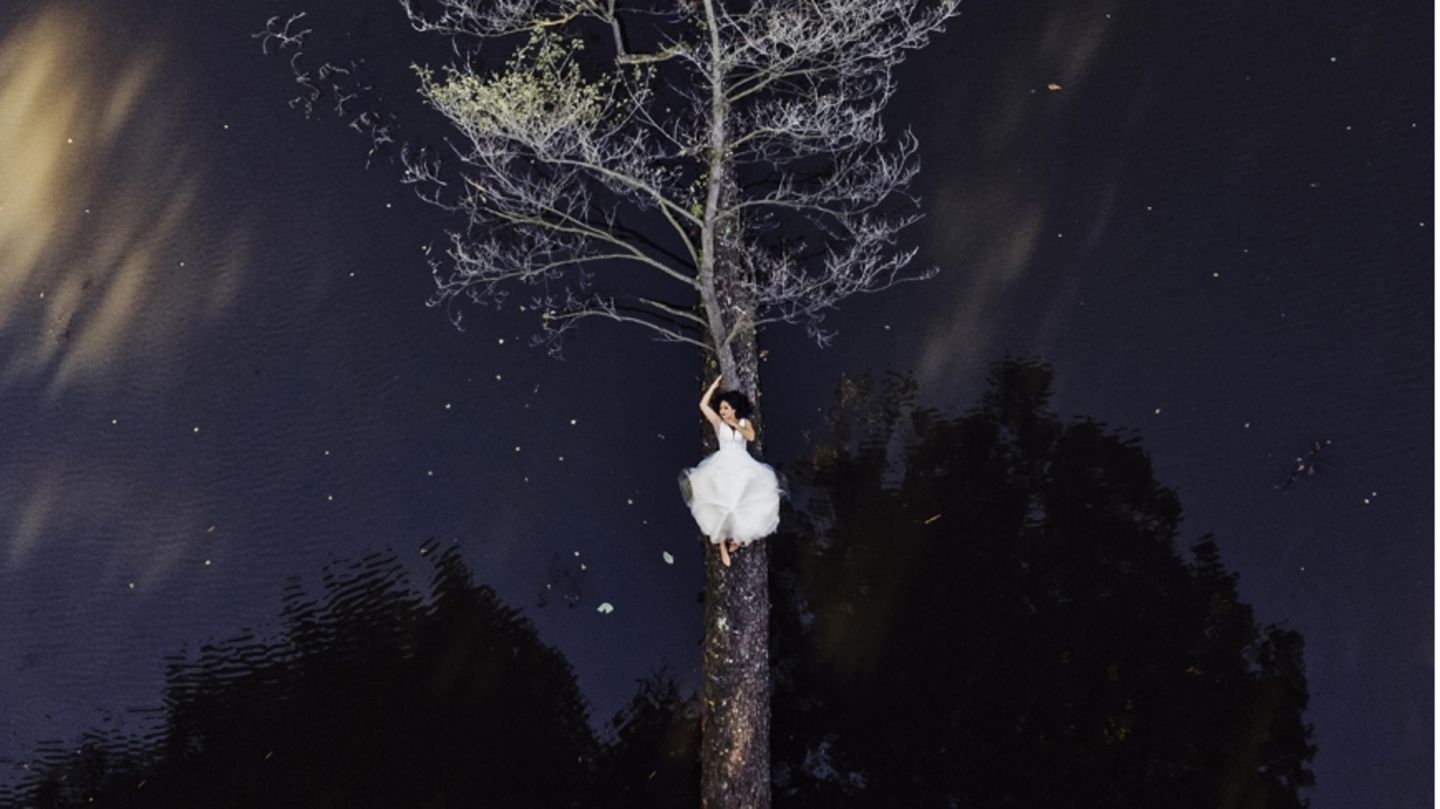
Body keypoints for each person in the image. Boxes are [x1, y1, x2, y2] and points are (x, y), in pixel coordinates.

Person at [680, 374, 781, 567]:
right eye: (721, 408)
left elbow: (750, 438)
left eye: (726, 408)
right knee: (722, 501)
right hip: (722, 462)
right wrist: (713, 386)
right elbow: (702, 405)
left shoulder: (743, 423)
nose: (722, 411)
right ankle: (722, 545)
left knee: (742, 500)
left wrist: (735, 424)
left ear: (734, 409)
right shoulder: (718, 423)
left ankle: (737, 539)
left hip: (742, 462)